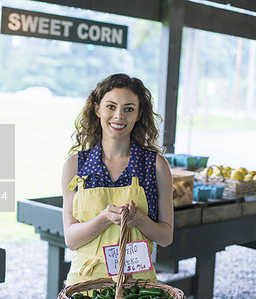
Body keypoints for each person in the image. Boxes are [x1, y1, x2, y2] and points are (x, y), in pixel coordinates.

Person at [62, 73, 173, 285]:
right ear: (97, 109)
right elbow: (71, 239)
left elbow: (166, 237)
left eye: (129, 109)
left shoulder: (155, 165)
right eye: (111, 106)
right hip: (86, 283)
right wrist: (104, 218)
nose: (119, 115)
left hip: (138, 285)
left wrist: (139, 219)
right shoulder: (75, 166)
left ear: (139, 114)